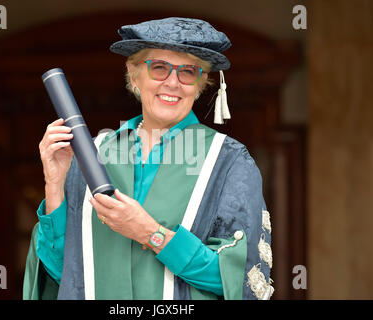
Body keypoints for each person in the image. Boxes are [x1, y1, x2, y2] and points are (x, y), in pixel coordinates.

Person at [23, 17, 273, 300]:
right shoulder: (92, 154)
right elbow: (65, 275)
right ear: (134, 74)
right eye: (159, 68)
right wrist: (54, 184)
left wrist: (151, 234)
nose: (173, 83)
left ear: (201, 82)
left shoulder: (228, 162)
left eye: (188, 71)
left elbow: (240, 282)